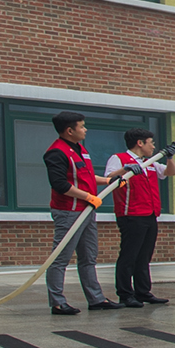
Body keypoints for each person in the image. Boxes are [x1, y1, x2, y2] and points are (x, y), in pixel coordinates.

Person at [43, 112, 125, 316]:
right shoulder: (56, 153)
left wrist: (108, 181)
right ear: (70, 130)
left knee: (88, 257)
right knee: (60, 258)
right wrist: (89, 197)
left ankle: (96, 299)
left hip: (87, 211)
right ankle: (57, 302)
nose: (85, 129)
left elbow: (86, 176)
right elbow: (60, 184)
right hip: (69, 212)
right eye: (82, 126)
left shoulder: (80, 150)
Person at [106, 129, 171, 306]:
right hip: (131, 215)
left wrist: (170, 158)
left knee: (144, 256)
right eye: (151, 142)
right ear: (140, 143)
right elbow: (109, 178)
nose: (154, 146)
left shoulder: (149, 163)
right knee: (129, 256)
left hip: (150, 214)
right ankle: (126, 294)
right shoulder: (119, 158)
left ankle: (143, 292)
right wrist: (125, 169)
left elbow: (170, 172)